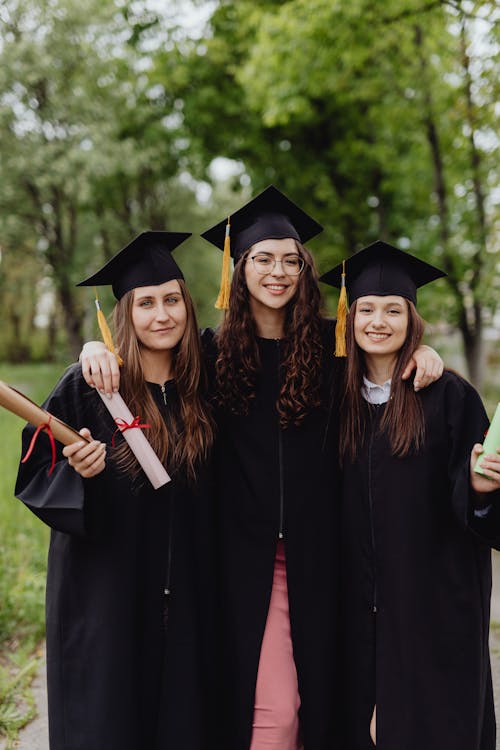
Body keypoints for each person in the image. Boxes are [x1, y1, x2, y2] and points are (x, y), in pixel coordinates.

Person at [79, 187, 444, 750]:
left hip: (327, 555)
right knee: (273, 709)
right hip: (239, 560)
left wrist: (423, 353)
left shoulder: (335, 345)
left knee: (326, 695)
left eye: (290, 259)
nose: (277, 271)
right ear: (238, 268)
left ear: (304, 267)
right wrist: (92, 349)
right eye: (262, 258)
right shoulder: (207, 352)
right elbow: (147, 356)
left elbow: (388, 357)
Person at [15, 232, 217, 750]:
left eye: (172, 299)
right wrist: (77, 472)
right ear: (124, 314)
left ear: (187, 306)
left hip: (188, 594)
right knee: (107, 722)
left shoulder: (208, 380)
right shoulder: (88, 387)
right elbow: (36, 472)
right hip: (105, 597)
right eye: (145, 304)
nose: (161, 314)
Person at [321, 240, 500, 750]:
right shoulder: (330, 396)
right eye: (367, 310)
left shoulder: (450, 397)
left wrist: (482, 490)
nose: (379, 321)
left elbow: (483, 510)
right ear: (349, 318)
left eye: (394, 310)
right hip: (352, 603)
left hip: (434, 606)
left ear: (412, 320)